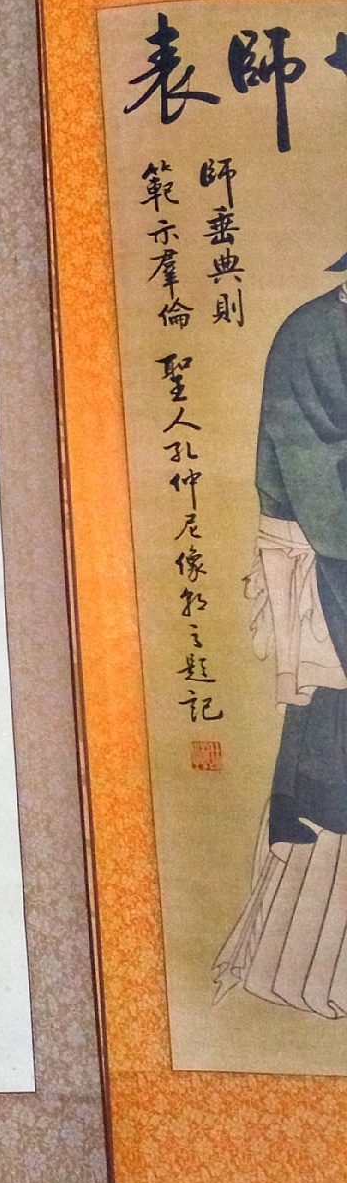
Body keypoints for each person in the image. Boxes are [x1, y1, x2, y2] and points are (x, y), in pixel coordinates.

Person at [216, 257, 347, 1017]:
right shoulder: (311, 334)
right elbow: (316, 488)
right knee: (330, 751)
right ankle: (308, 972)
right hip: (328, 567)